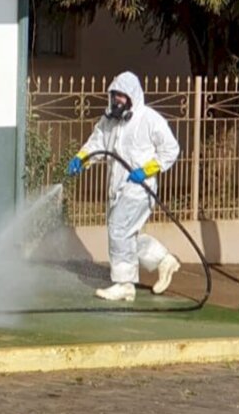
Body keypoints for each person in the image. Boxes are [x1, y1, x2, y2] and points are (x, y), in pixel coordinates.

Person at [66, 71, 181, 302]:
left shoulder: (150, 119)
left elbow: (171, 150)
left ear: (132, 97)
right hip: (117, 186)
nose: (117, 100)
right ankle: (163, 260)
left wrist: (148, 169)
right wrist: (81, 158)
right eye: (115, 95)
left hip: (140, 187)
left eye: (121, 96)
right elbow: (97, 143)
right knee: (126, 235)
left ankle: (124, 283)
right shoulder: (109, 120)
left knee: (118, 229)